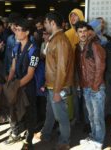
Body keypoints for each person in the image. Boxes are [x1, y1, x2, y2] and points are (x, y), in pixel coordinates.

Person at [36, 12, 74, 150]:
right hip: (52, 85)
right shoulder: (55, 39)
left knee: (61, 116)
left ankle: (64, 141)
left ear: (52, 23)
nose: (44, 26)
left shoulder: (60, 41)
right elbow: (52, 65)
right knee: (50, 112)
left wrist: (57, 90)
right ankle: (46, 133)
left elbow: (61, 69)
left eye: (45, 23)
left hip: (58, 86)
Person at [7, 18, 39, 150]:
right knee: (17, 111)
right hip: (18, 84)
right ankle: (17, 133)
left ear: (27, 32)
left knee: (30, 113)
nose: (16, 32)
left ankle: (29, 140)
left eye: (19, 30)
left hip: (28, 86)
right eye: (16, 29)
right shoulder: (16, 47)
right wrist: (9, 83)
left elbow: (30, 74)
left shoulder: (33, 50)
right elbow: (13, 68)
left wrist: (16, 85)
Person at [75, 21, 106, 150]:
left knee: (98, 117)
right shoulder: (78, 48)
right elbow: (79, 68)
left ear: (88, 32)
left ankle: (98, 142)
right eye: (80, 31)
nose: (83, 34)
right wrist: (81, 84)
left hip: (96, 87)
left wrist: (95, 85)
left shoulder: (94, 45)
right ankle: (94, 136)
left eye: (84, 31)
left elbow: (101, 65)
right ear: (76, 33)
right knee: (91, 116)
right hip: (86, 86)